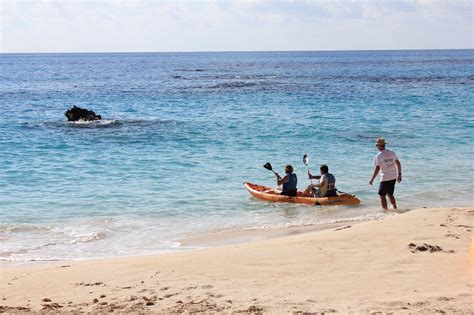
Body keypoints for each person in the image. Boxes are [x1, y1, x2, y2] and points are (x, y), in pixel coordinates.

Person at [369, 137, 402, 210]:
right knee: (390, 194)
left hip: (385, 178)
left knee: (382, 195)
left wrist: (372, 179)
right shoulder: (391, 153)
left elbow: (377, 169)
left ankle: (385, 211)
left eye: (376, 145)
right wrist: (399, 174)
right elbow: (398, 163)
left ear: (379, 146)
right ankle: (395, 207)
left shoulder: (378, 156)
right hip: (393, 177)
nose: (376, 147)